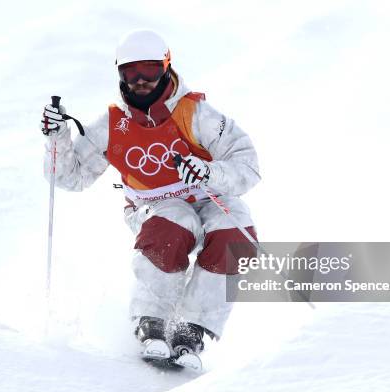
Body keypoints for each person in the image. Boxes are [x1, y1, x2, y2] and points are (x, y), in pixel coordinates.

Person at [40, 30, 260, 358]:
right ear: (120, 75)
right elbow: (71, 178)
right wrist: (57, 139)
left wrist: (208, 171)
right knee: (176, 220)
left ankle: (193, 327)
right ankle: (152, 320)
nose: (140, 81)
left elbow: (248, 165)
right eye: (131, 73)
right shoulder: (114, 124)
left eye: (149, 71)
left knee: (236, 228)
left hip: (207, 196)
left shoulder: (195, 113)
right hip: (154, 207)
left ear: (166, 68)